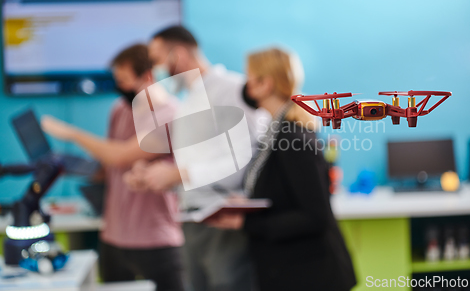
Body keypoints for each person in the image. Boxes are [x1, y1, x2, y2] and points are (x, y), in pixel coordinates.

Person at [125, 26, 269, 291]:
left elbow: (247, 159)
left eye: (156, 61)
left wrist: (178, 174)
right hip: (192, 220)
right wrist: (156, 175)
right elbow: (198, 161)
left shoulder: (231, 90)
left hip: (223, 222)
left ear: (177, 55)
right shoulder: (189, 100)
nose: (153, 72)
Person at [207, 48, 357, 291]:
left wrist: (246, 223)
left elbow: (314, 216)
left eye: (250, 77)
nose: (245, 86)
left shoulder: (292, 137)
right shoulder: (276, 131)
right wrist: (246, 202)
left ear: (266, 84)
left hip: (311, 275)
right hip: (290, 269)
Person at [41, 44, 185, 291]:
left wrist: (73, 134)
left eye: (125, 80)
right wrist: (66, 165)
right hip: (114, 237)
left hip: (156, 239)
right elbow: (109, 166)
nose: (121, 87)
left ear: (147, 76)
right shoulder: (119, 109)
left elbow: (120, 156)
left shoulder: (168, 114)